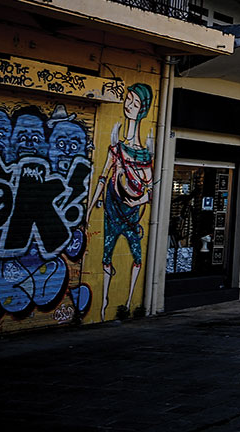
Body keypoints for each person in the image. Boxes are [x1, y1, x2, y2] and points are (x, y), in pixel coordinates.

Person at [89, 82, 154, 320]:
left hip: (131, 216)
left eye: (136, 103)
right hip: (112, 211)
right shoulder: (116, 147)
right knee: (107, 255)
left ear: (143, 110)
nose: (128, 105)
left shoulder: (145, 152)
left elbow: (150, 191)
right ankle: (104, 306)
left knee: (136, 256)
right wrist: (87, 214)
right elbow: (102, 179)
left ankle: (128, 303)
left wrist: (137, 203)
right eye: (128, 99)